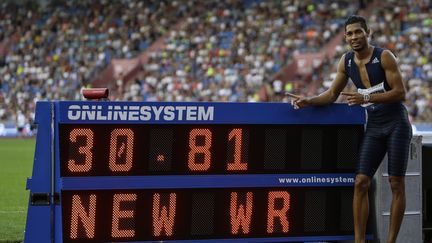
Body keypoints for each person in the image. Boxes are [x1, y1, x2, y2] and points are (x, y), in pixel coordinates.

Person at [288, 15, 412, 243]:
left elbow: (400, 93)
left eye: (358, 32)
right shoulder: (345, 62)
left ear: (368, 33)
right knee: (360, 182)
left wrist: (365, 94)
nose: (354, 37)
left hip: (397, 123)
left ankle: (392, 241)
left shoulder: (384, 57)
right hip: (375, 125)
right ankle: (359, 241)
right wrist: (309, 100)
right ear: (345, 37)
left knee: (396, 182)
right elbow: (332, 94)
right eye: (350, 33)